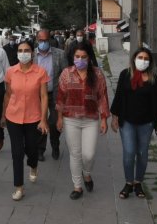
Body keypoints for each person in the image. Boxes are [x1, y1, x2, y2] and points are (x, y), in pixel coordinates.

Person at [111, 48, 157, 199]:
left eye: (146, 58)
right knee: (129, 152)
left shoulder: (153, 79)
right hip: (127, 121)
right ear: (134, 59)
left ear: (150, 62)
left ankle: (138, 182)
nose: (142, 61)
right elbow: (118, 96)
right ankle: (128, 183)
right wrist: (114, 117)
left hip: (146, 123)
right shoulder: (125, 75)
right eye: (140, 57)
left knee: (142, 154)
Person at [56, 42, 110, 199]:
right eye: (77, 56)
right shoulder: (66, 73)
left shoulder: (97, 74)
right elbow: (60, 97)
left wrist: (104, 119)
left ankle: (87, 174)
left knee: (89, 154)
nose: (80, 60)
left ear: (89, 57)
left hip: (90, 119)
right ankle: (77, 186)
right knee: (75, 153)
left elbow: (102, 97)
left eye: (83, 57)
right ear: (73, 57)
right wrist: (59, 118)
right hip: (70, 119)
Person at [1, 40, 49, 201]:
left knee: (32, 149)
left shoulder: (40, 72)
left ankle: (33, 166)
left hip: (33, 118)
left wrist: (43, 119)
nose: (23, 53)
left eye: (27, 50)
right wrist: (3, 115)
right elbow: (8, 94)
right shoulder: (10, 72)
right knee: (17, 153)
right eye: (20, 50)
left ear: (32, 53)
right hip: (13, 116)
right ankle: (19, 187)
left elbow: (44, 96)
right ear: (17, 53)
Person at [34, 29, 67, 161]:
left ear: (50, 40)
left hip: (55, 93)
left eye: (46, 40)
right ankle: (40, 149)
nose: (43, 43)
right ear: (37, 40)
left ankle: (55, 144)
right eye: (41, 40)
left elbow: (65, 74)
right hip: (38, 95)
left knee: (53, 122)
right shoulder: (31, 56)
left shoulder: (60, 54)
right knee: (39, 121)